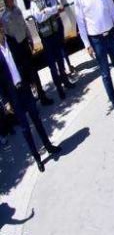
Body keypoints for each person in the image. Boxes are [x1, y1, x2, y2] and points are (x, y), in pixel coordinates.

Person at [0, 25, 62, 171]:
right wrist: (5, 101)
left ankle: (49, 146)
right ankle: (37, 158)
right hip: (13, 94)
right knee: (25, 129)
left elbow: (24, 62)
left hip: (25, 89)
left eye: (1, 28)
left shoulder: (12, 41)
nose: (1, 31)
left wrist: (31, 80)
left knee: (37, 119)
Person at [2, 0, 52, 105]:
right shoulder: (4, 17)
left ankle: (42, 96)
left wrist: (30, 38)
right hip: (16, 48)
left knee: (34, 72)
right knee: (24, 76)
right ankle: (31, 101)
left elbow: (24, 26)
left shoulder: (17, 10)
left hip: (25, 44)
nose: (10, 0)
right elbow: (6, 36)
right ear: (5, 0)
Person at [28, 0, 74, 99]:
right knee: (52, 65)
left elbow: (57, 8)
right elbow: (39, 17)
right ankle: (59, 89)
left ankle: (66, 82)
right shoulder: (33, 2)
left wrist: (46, 11)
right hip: (46, 37)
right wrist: (51, 11)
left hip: (55, 33)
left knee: (60, 60)